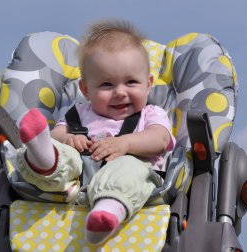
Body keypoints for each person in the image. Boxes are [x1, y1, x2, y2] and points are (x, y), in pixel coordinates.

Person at [16, 19, 175, 245]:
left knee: (131, 169)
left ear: (149, 84)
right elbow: (58, 134)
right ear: (86, 89)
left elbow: (160, 139)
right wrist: (69, 139)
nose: (120, 92)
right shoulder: (79, 113)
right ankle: (43, 159)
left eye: (131, 82)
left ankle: (107, 211)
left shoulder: (151, 113)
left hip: (127, 177)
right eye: (107, 85)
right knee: (62, 153)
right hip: (71, 183)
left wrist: (125, 145)